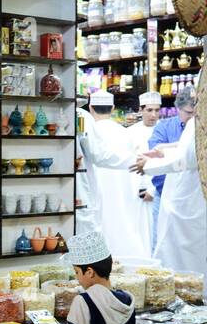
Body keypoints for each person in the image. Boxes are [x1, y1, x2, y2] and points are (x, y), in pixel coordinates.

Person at [80, 90, 151, 259]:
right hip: (124, 190)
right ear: (112, 109)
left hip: (96, 189)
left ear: (91, 108)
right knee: (125, 224)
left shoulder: (89, 127)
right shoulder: (125, 132)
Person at [136, 113, 207, 275]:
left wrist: (150, 165)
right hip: (194, 203)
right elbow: (188, 151)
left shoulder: (202, 122)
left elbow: (188, 159)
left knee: (188, 267)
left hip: (192, 205)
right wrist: (164, 153)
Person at [146, 87, 197, 240]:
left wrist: (168, 147)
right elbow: (156, 153)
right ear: (178, 109)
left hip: (192, 200)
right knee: (161, 243)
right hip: (164, 197)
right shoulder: (164, 126)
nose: (192, 117)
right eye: (188, 113)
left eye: (195, 113)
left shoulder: (201, 128)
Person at [125, 91, 162, 250]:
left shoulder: (164, 129)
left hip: (156, 189)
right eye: (149, 110)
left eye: (157, 110)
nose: (154, 115)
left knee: (155, 232)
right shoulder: (130, 132)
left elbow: (167, 163)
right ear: (140, 110)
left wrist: (153, 190)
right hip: (134, 189)